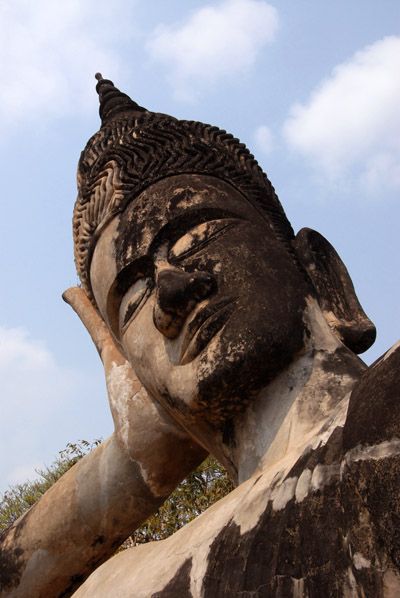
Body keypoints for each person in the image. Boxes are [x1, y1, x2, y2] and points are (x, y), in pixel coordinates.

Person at [2, 76, 399, 597]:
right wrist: (132, 461)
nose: (170, 291)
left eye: (197, 236)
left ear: (319, 272)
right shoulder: (126, 580)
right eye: (134, 299)